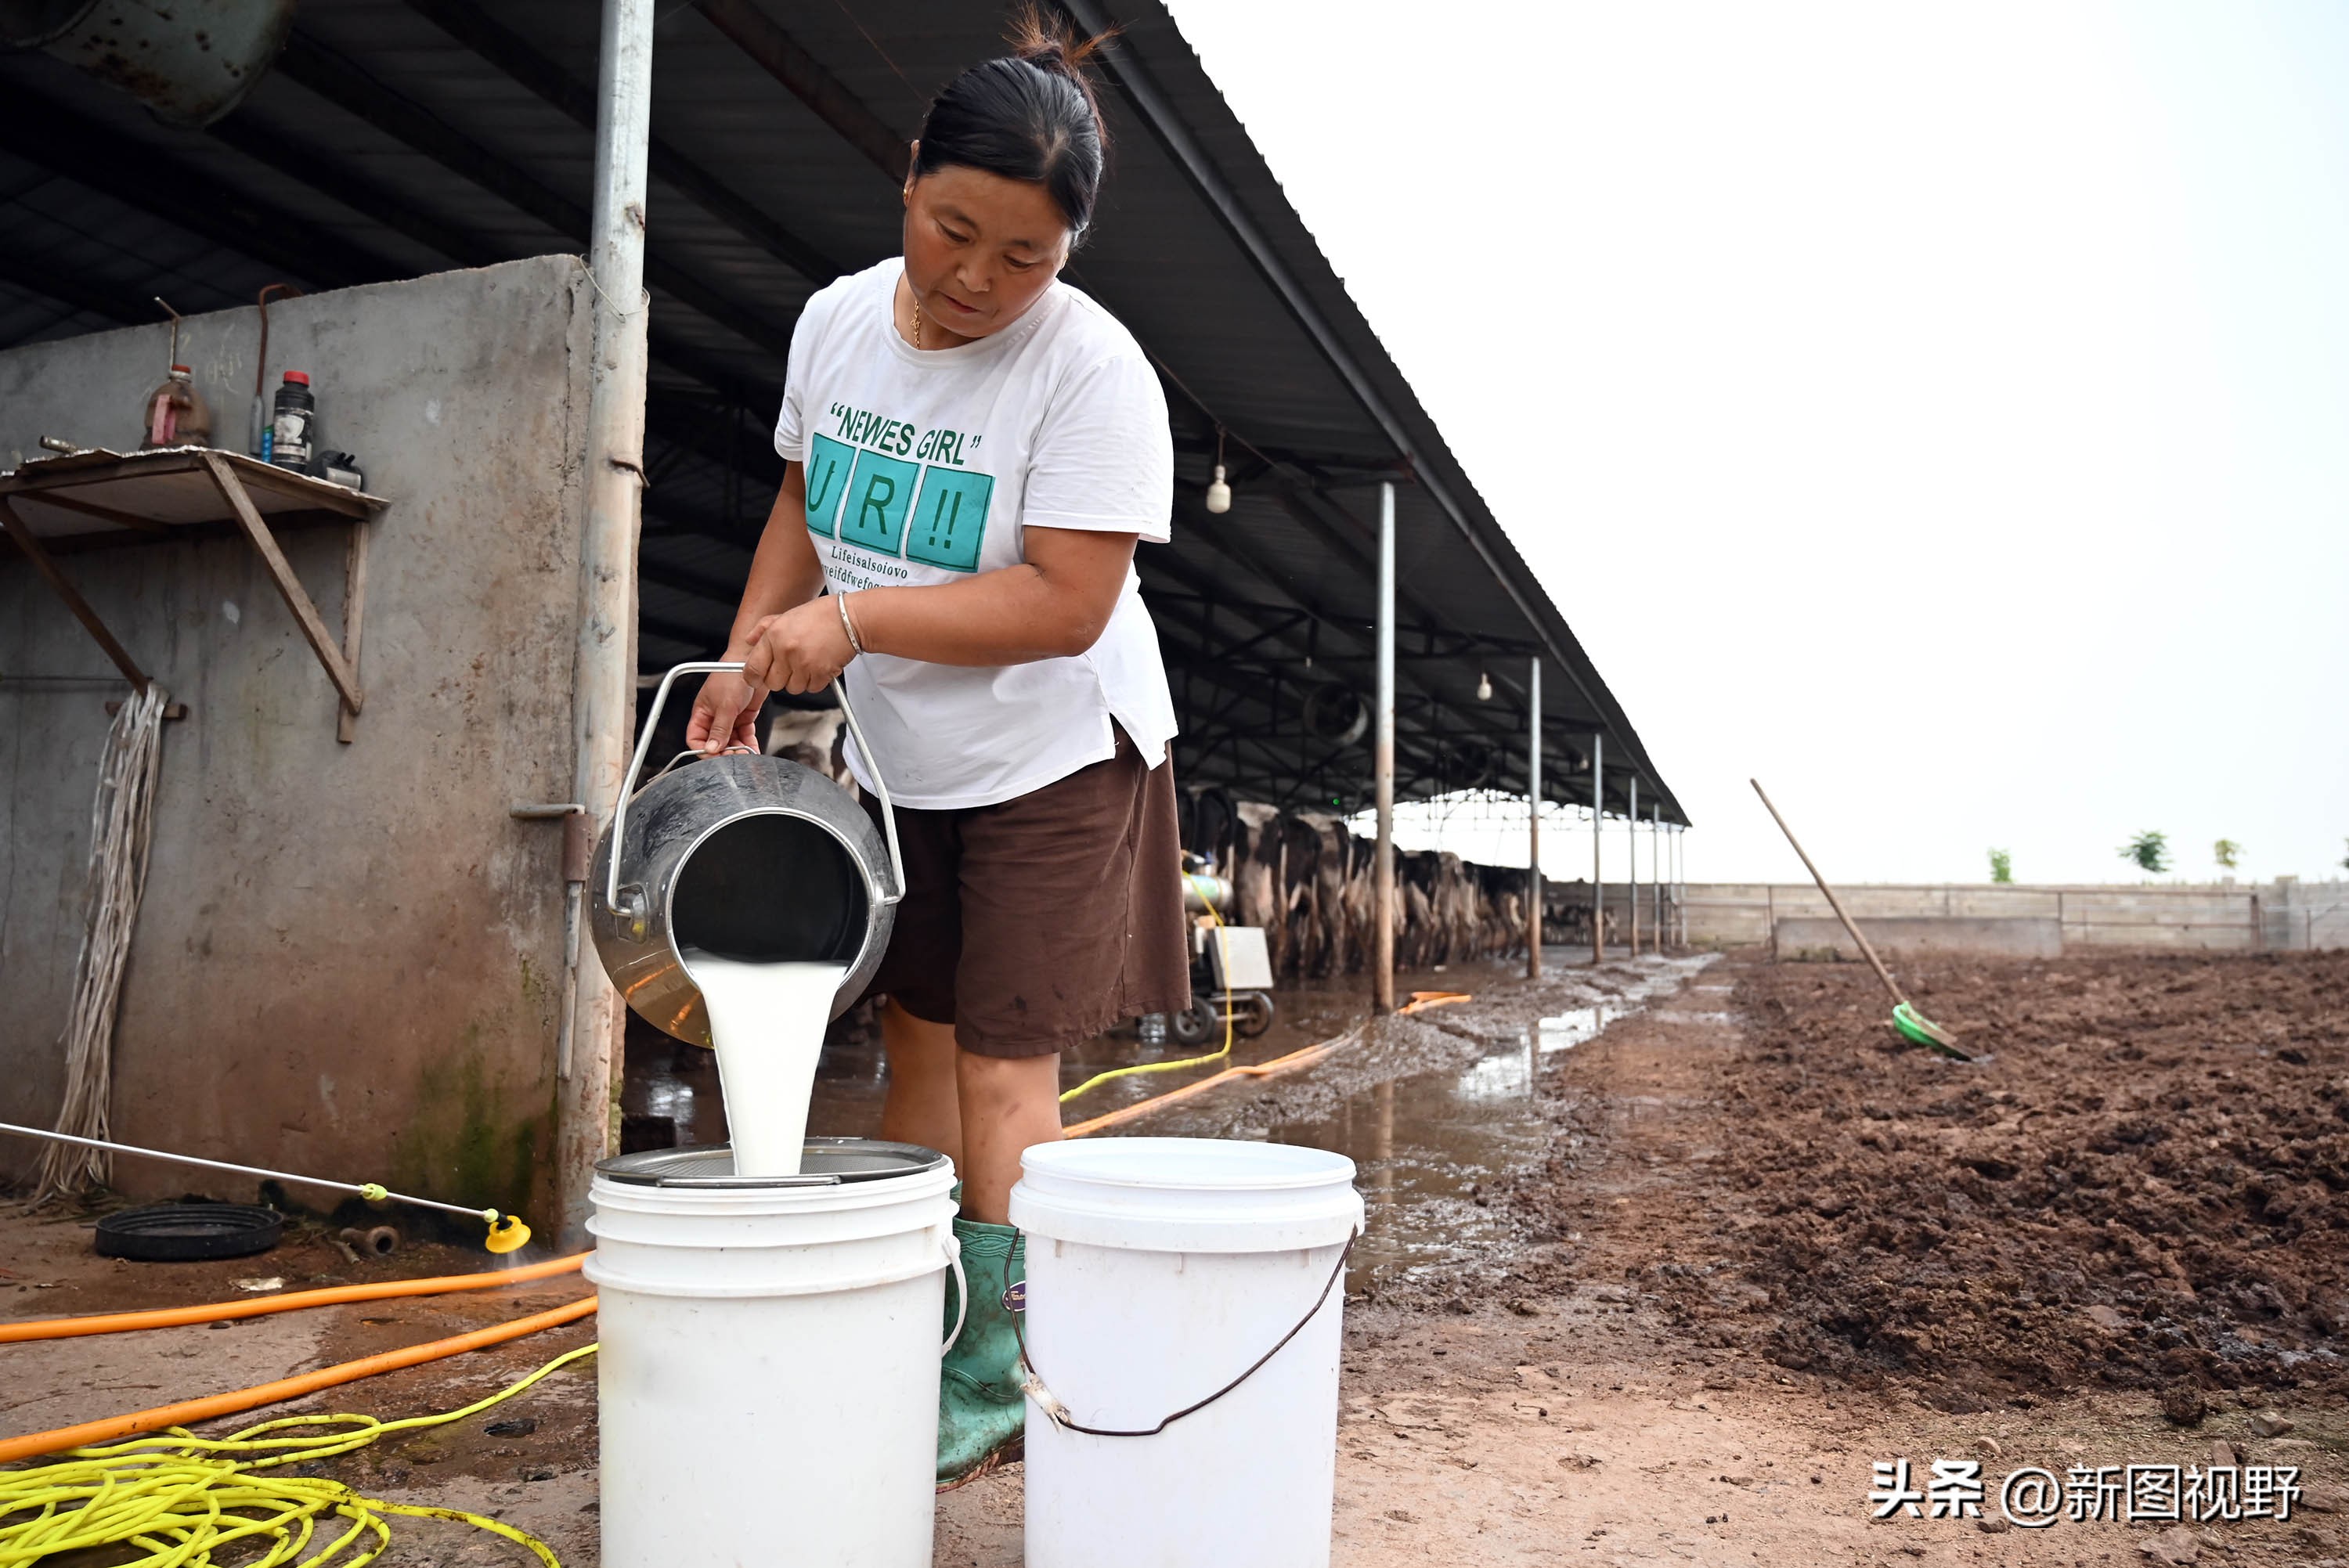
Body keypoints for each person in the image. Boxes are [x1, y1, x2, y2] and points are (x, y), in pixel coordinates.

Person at [686, 9, 1189, 1488]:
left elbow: (1067, 600)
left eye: (1025, 256)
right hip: (914, 759)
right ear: (908, 175)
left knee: (1005, 1065)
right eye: (953, 230)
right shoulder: (838, 322)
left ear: (1070, 250)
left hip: (1056, 752)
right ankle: (917, 1302)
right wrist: (747, 654)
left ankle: (1002, 1366)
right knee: (913, 1031)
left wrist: (850, 626)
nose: (977, 279)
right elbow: (802, 503)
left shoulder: (1093, 374)